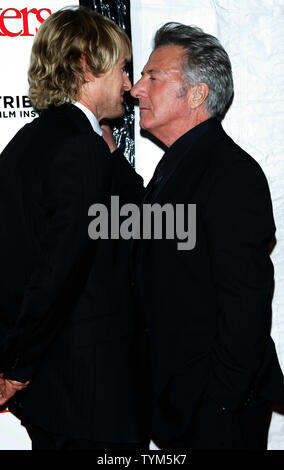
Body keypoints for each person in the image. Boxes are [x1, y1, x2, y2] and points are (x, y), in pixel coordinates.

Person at [130, 22, 284, 450]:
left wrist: (217, 407)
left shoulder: (230, 174)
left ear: (197, 95)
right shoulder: (175, 168)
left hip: (215, 418)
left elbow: (246, 306)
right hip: (179, 411)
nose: (137, 89)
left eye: (152, 77)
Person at [0, 6, 147, 450]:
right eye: (122, 68)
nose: (128, 84)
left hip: (54, 391)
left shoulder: (29, 142)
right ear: (86, 65)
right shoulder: (79, 150)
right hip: (87, 394)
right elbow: (57, 269)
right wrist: (18, 366)